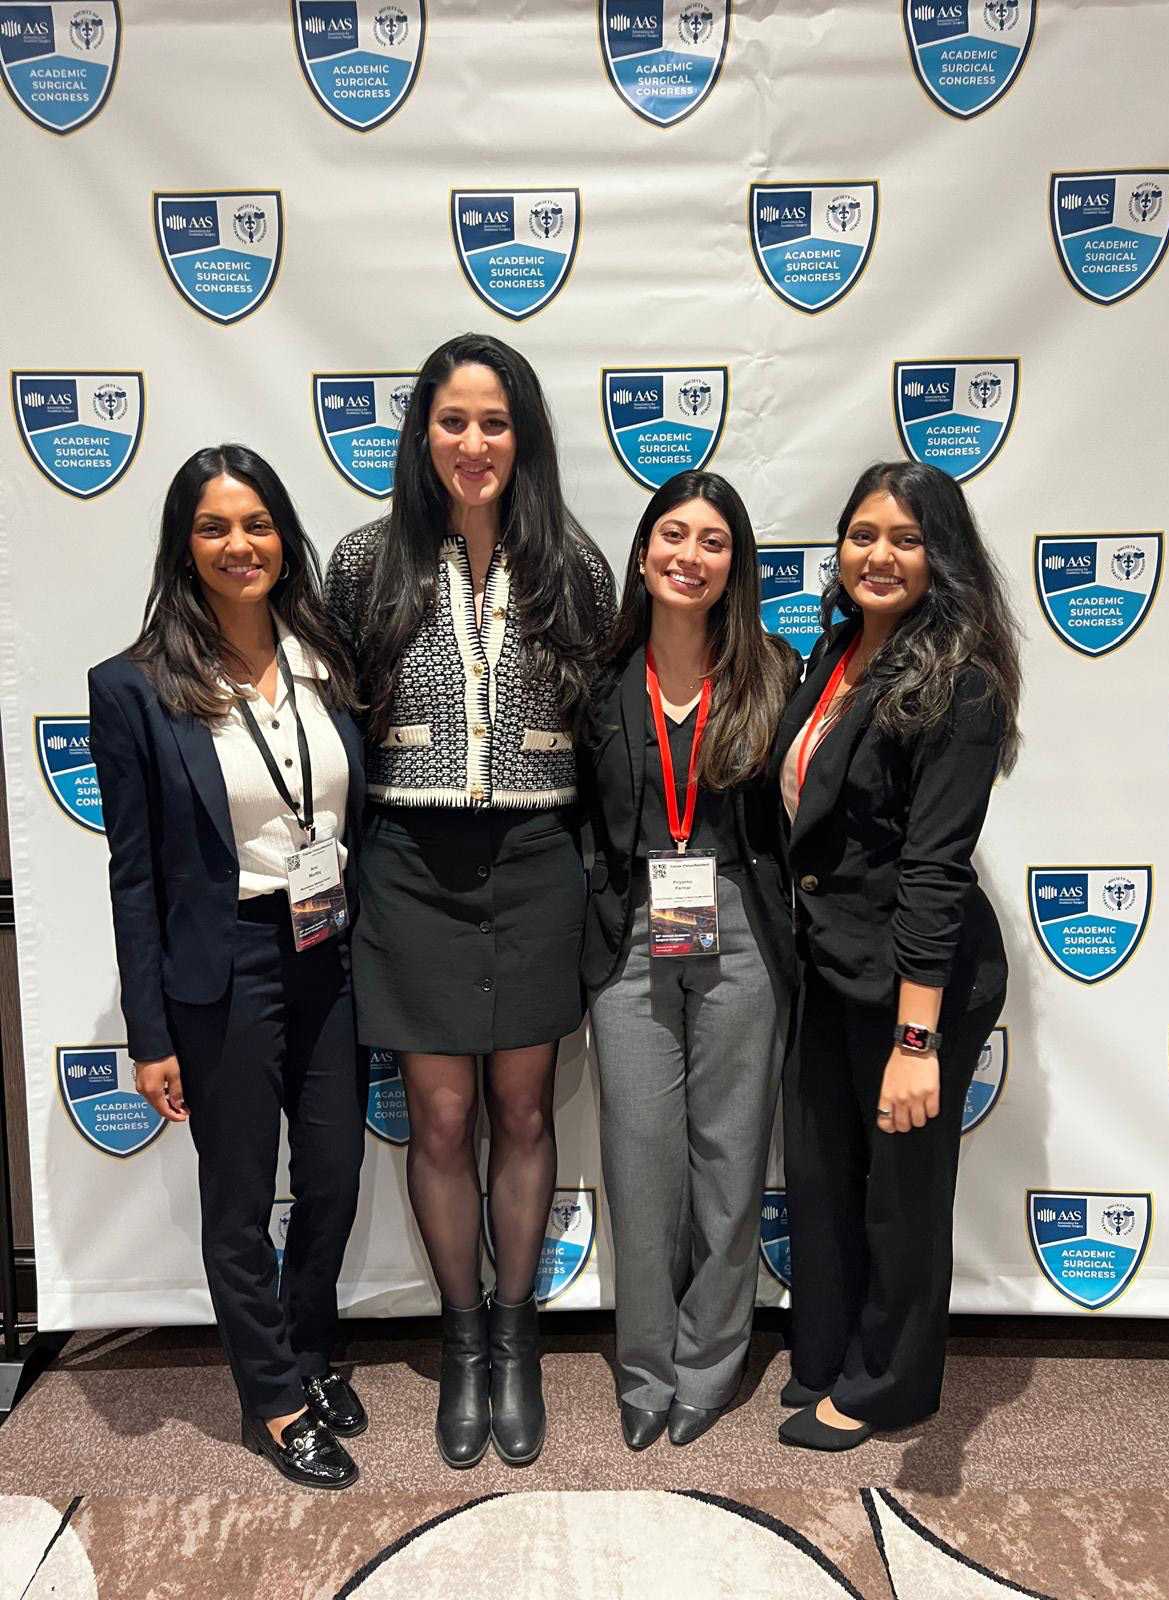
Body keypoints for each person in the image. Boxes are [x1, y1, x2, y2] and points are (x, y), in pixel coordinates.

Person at [325, 332, 616, 1469]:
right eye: (454, 420)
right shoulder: (364, 562)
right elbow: (338, 721)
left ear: (525, 435)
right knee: (441, 1118)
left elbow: (601, 737)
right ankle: (460, 1335)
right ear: (422, 433)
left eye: (495, 422)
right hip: (411, 861)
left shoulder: (574, 568)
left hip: (537, 858)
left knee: (528, 1114)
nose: (474, 442)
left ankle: (517, 1336)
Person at [89, 445, 368, 1490]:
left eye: (256, 523)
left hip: (326, 948)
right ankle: (278, 1395)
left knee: (335, 1179)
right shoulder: (132, 688)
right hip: (226, 969)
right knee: (240, 1199)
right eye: (215, 527)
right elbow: (132, 878)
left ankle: (310, 1345)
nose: (239, 544)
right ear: (185, 546)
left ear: (285, 538)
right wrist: (149, 1031)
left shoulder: (327, 660)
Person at [773, 460, 1020, 1451]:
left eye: (907, 538)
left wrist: (916, 1037)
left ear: (941, 557)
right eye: (864, 533)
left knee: (902, 1194)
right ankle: (832, 1355)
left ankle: (894, 1384)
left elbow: (933, 869)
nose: (880, 554)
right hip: (830, 964)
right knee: (828, 1175)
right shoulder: (833, 653)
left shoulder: (961, 680)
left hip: (919, 982)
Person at [578, 470, 799, 1451]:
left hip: (742, 932)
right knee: (641, 1154)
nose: (691, 554)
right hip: (633, 937)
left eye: (714, 541)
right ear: (642, 552)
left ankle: (710, 1362)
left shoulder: (777, 672)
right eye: (675, 534)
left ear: (735, 565)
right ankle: (645, 1366)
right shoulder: (597, 682)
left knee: (730, 1154)